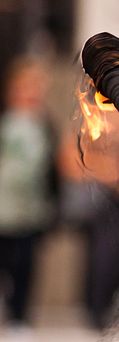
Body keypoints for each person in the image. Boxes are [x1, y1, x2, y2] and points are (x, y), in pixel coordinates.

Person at [0, 57, 60, 327]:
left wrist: (53, 204)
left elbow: (51, 170)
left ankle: (19, 317)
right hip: (4, 206)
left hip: (31, 209)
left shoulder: (45, 126)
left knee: (24, 267)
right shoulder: (6, 122)